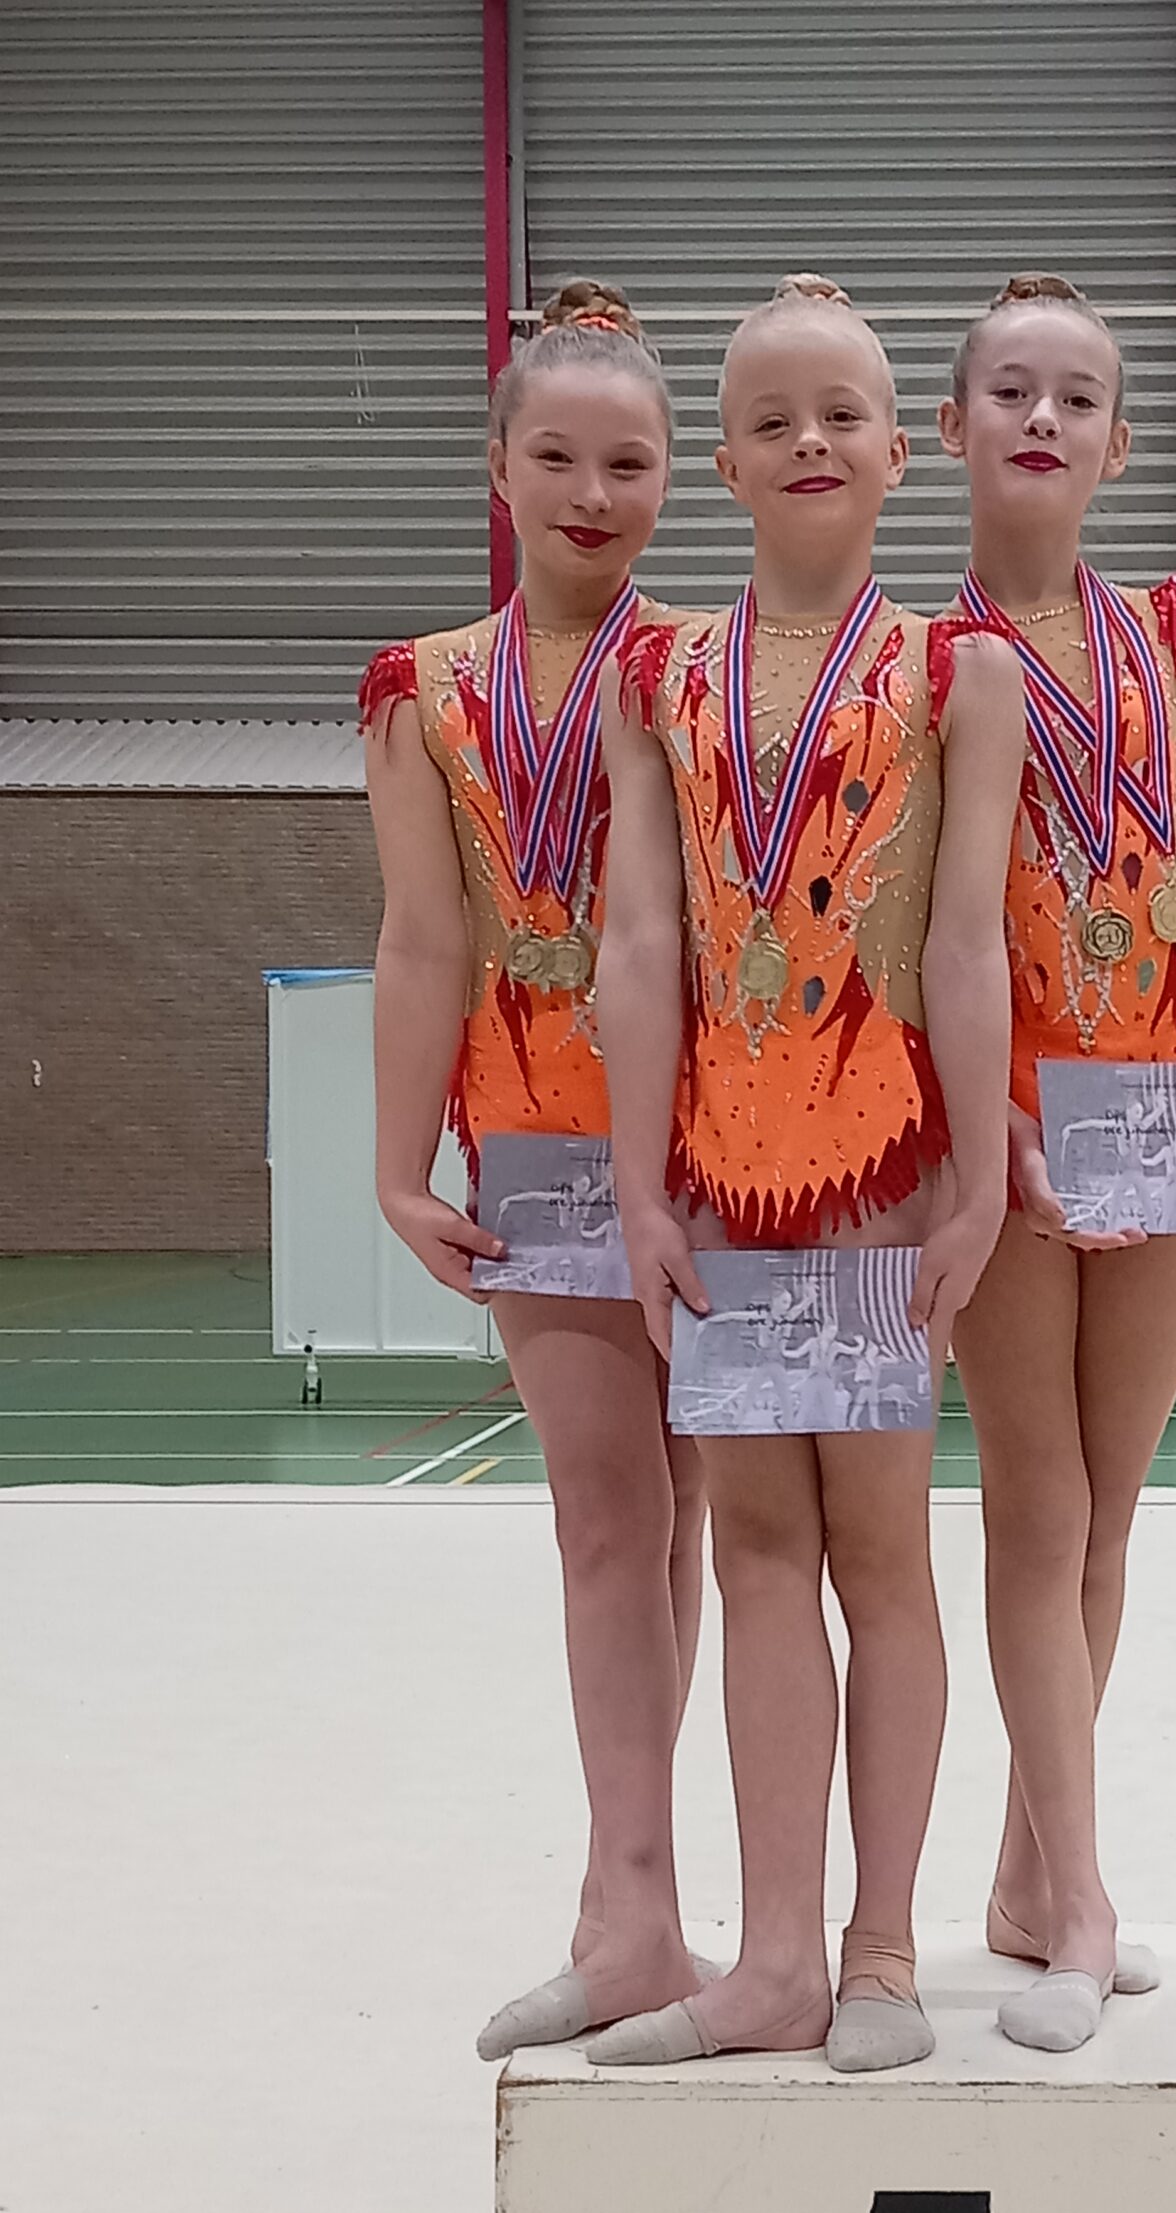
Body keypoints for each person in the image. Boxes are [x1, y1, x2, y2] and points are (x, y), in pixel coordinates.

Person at [585, 274, 1025, 2074]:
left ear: (904, 451)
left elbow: (970, 942)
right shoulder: (659, 678)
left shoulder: (959, 676)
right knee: (758, 1549)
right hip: (718, 1185)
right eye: (770, 421)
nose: (810, 443)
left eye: (843, 415)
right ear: (724, 465)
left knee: (883, 1556)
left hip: (883, 1177)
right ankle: (772, 1955)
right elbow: (636, 943)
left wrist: (977, 1184)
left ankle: (882, 1947)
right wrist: (637, 1186)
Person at [940, 273, 1176, 2051]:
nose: (1043, 417)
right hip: (1012, 1140)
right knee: (1040, 1500)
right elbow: (905, 939)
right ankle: (1080, 1897)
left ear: (1121, 442)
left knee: (1115, 1504)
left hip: (1173, 1120)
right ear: (949, 430)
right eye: (1010, 390)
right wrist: (984, 1123)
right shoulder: (917, 660)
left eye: (1076, 397)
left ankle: (1033, 1877)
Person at [360, 280, 708, 2061]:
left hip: (713, 1144)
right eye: (558, 457)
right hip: (539, 1146)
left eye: (628, 464)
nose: (592, 493)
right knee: (606, 1516)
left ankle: (642, 1898)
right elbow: (424, 938)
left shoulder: (708, 669)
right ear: (496, 465)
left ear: (673, 480)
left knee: (692, 1521)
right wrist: (394, 1164)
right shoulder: (420, 693)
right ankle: (628, 1906)